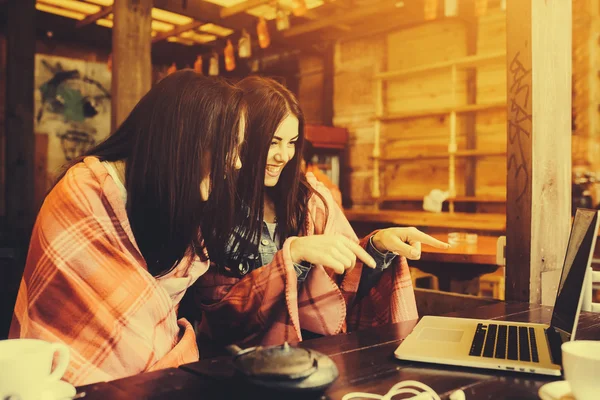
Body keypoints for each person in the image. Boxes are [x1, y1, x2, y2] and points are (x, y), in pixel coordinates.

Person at [10, 71, 247, 386]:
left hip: (159, 373)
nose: (237, 163)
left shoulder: (182, 193)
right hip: (66, 376)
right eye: (230, 146)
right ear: (189, 140)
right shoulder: (83, 192)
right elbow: (107, 321)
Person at [191, 76, 449, 349]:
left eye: (291, 143)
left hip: (314, 359)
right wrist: (291, 258)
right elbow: (220, 314)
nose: (284, 155)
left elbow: (342, 289)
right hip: (233, 366)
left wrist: (378, 247)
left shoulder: (311, 201)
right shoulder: (212, 206)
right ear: (242, 138)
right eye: (273, 141)